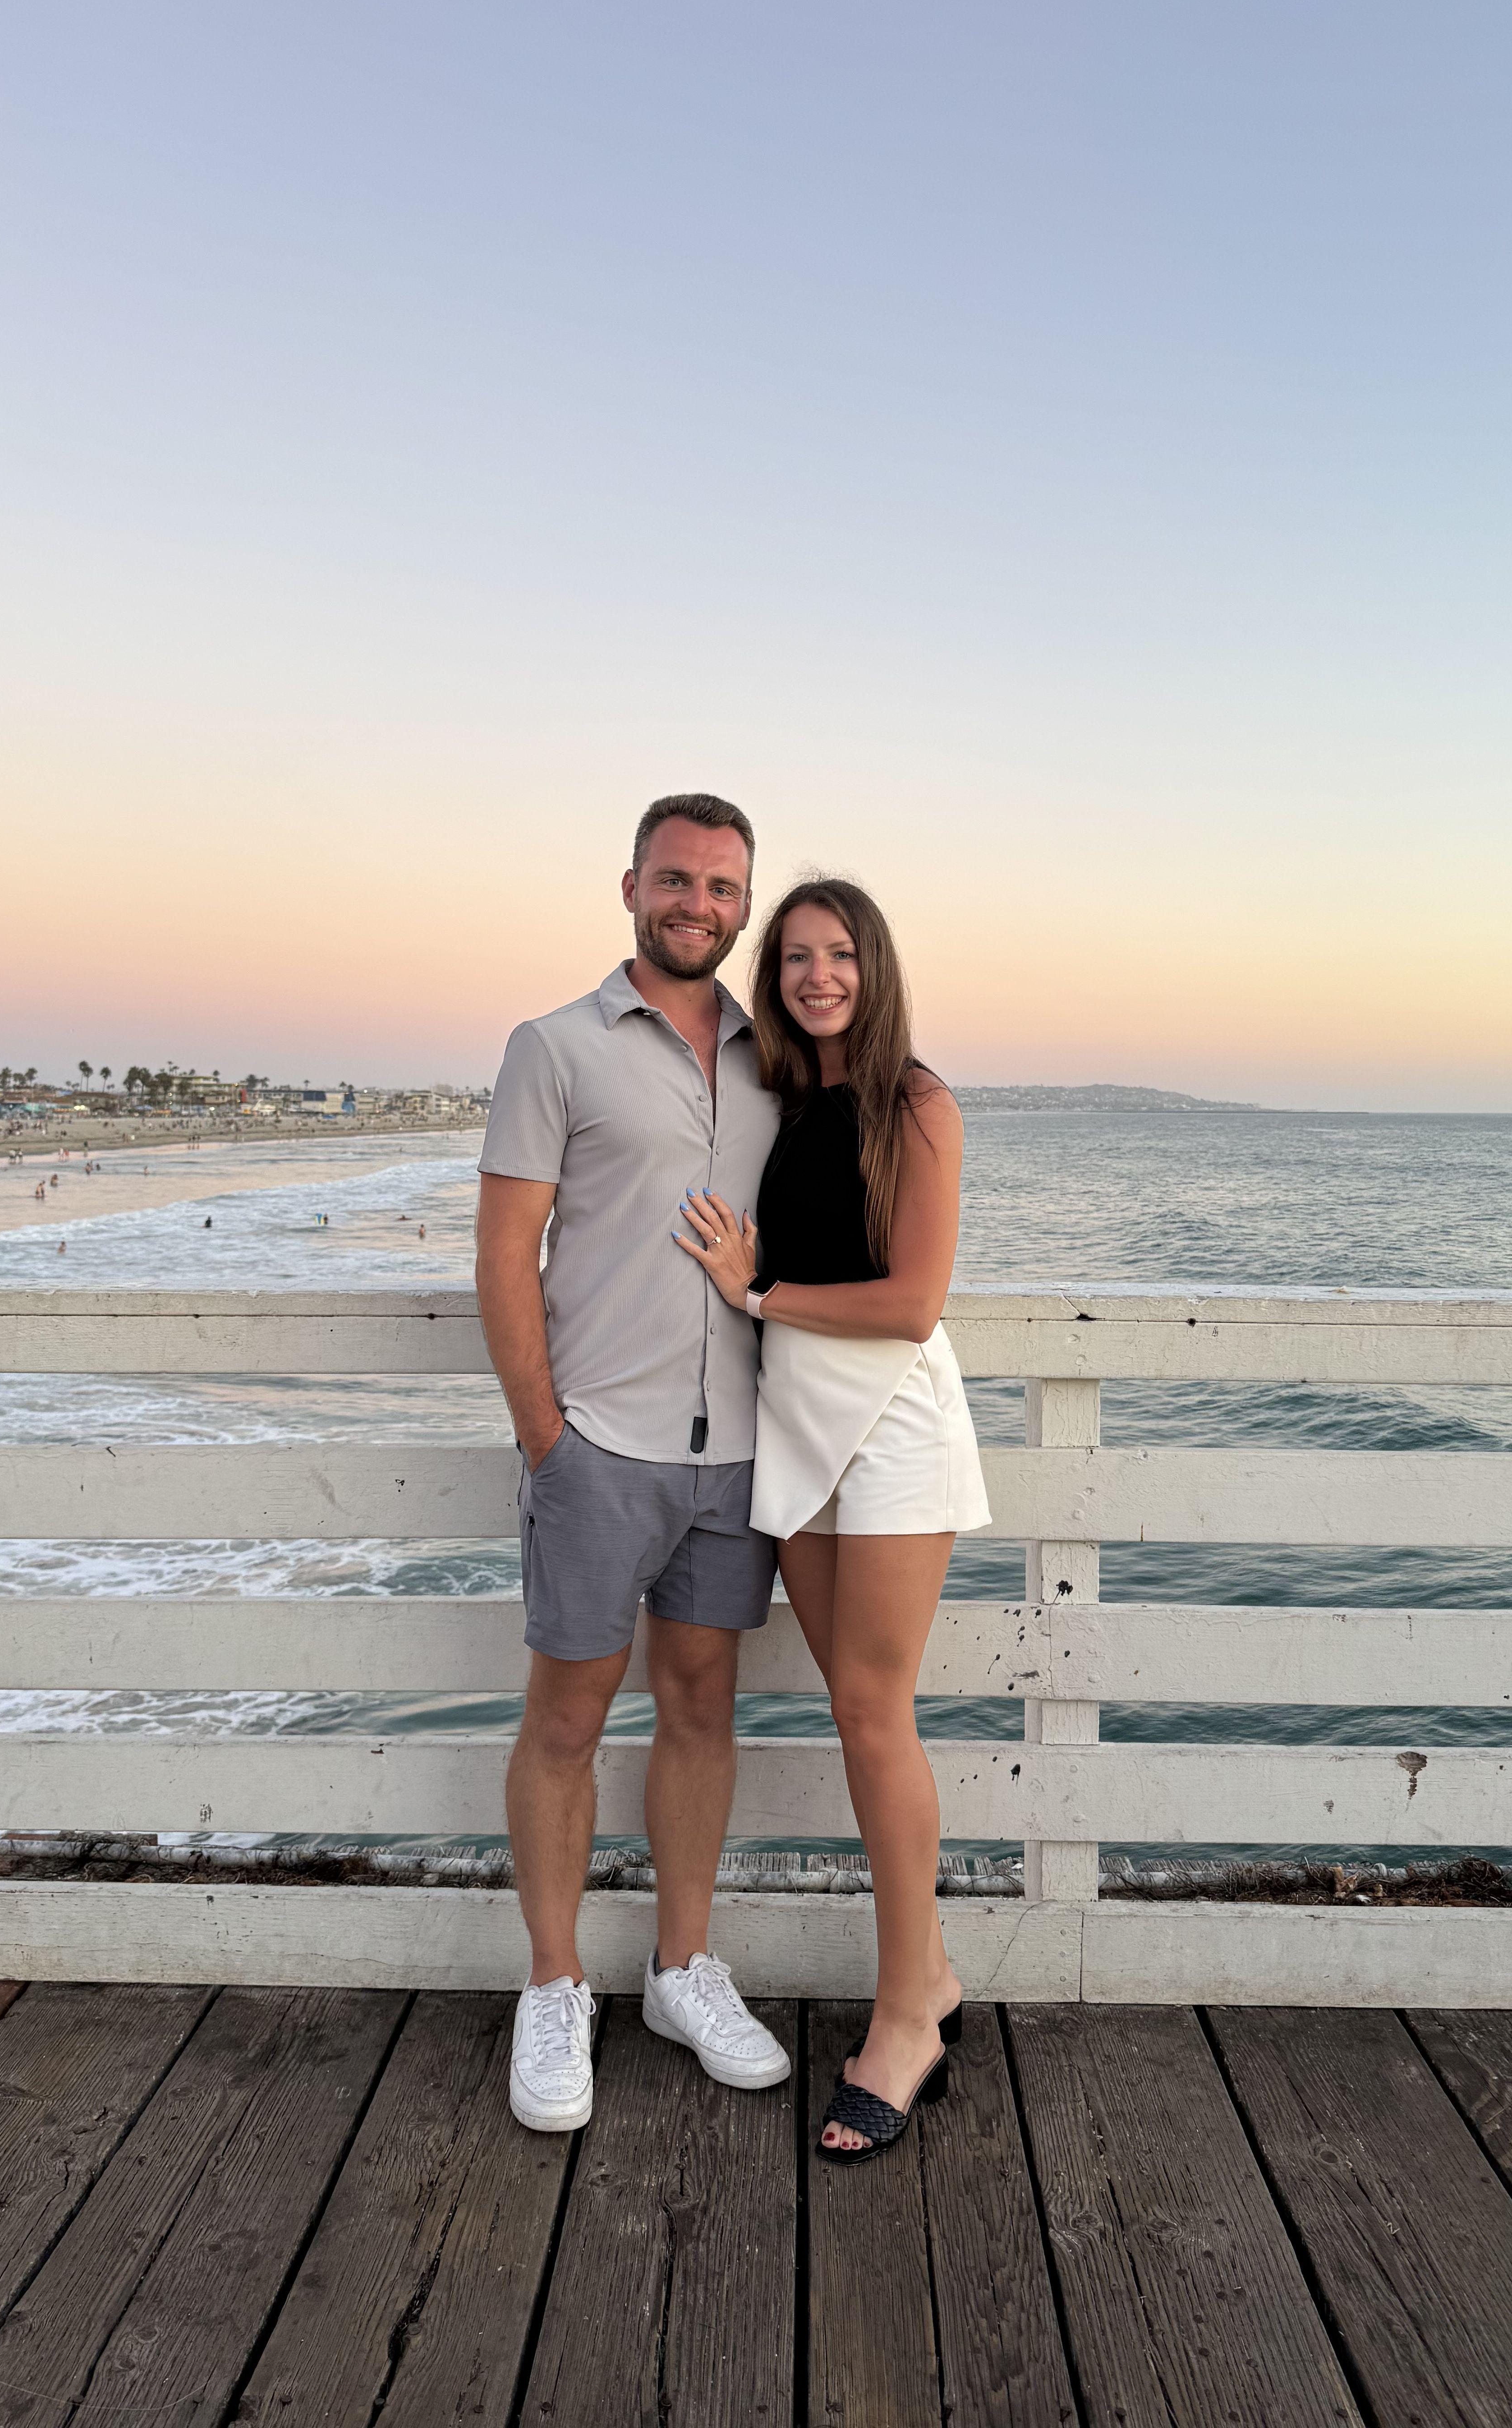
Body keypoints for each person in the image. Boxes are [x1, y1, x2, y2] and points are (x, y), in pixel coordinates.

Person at [476, 792, 790, 2133]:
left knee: (704, 1713)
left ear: (744, 901)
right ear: (630, 888)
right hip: (601, 1447)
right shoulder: (555, 1048)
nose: (699, 905)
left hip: (739, 1458)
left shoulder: (782, 1057)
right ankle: (555, 1985)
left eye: (724, 888)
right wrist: (546, 1435)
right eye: (677, 880)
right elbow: (504, 1258)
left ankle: (680, 1968)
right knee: (565, 1723)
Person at [673, 875, 988, 2164]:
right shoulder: (782, 1103)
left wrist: (758, 1296)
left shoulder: (916, 1101)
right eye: (795, 956)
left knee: (874, 1711)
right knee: (856, 1707)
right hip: (796, 1420)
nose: (816, 976)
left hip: (895, 1418)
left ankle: (908, 2011)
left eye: (840, 954)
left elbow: (913, 1303)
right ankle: (937, 1975)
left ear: (876, 966)